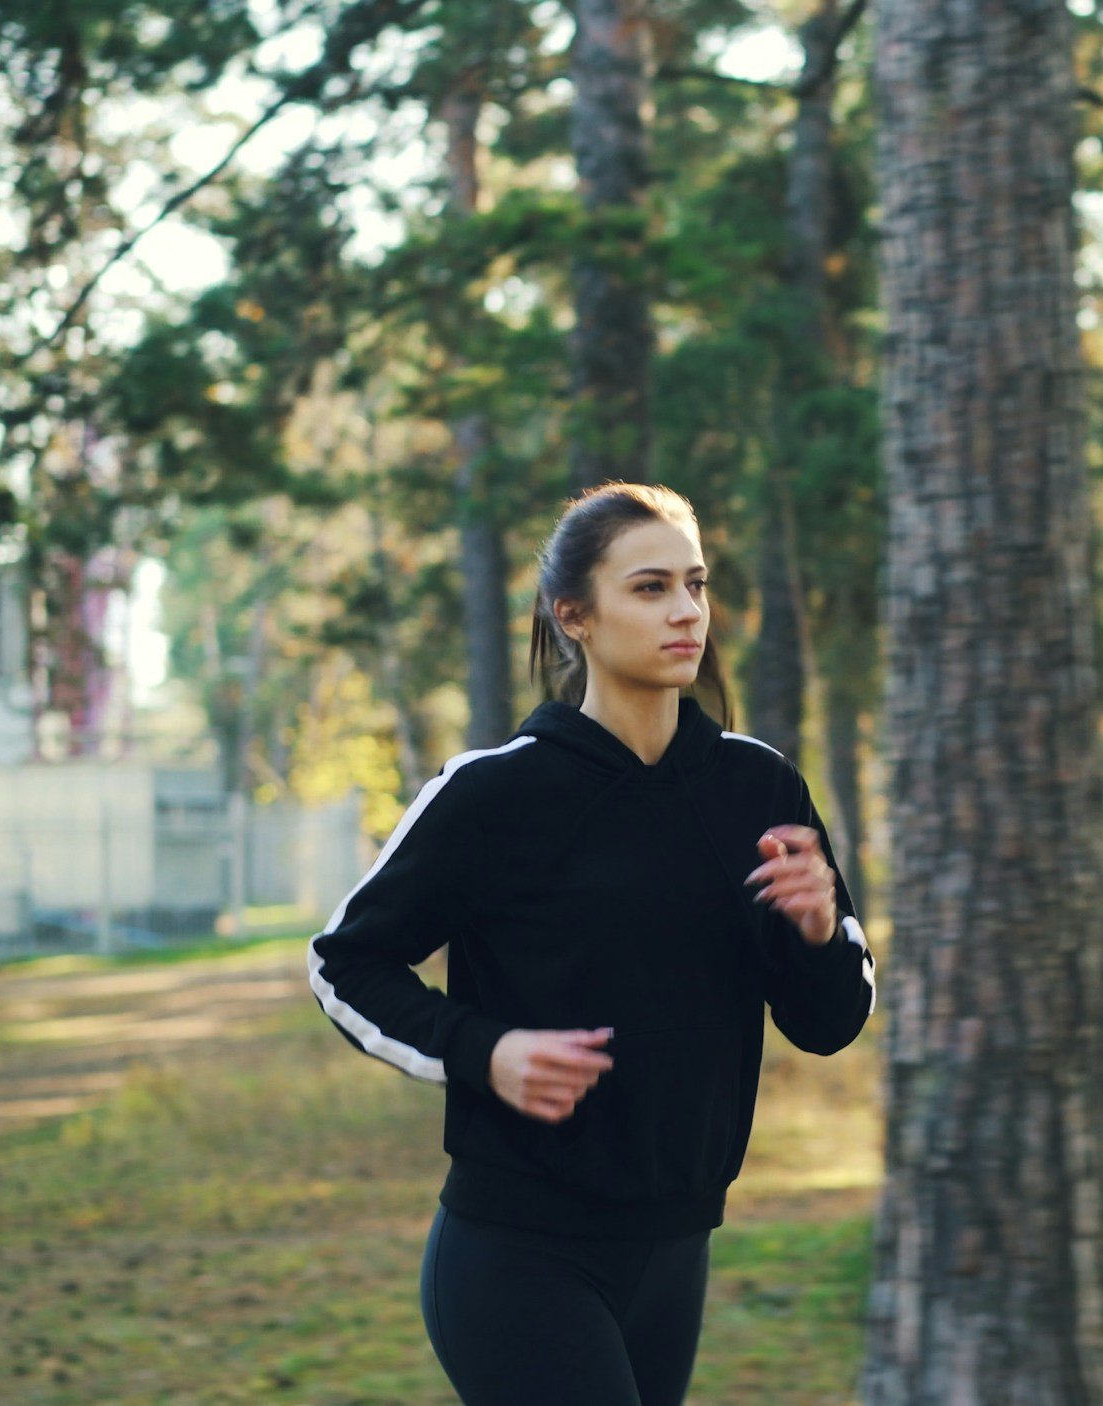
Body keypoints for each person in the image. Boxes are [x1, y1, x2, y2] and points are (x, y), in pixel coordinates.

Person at [306, 481, 875, 1406]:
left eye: (694, 585)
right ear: (573, 615)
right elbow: (344, 961)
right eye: (649, 589)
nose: (686, 612)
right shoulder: (494, 796)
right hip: (517, 1254)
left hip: (677, 1248)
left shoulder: (758, 788)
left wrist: (816, 933)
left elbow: (828, 1021)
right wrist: (483, 1050)